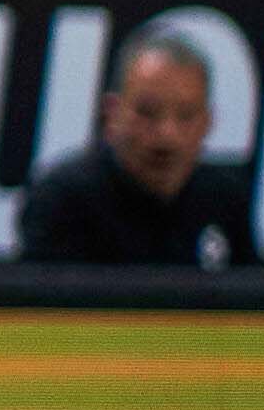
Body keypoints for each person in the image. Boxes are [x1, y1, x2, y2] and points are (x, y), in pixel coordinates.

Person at [19, 37, 246, 269]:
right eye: (147, 113)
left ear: (208, 123)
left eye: (186, 115)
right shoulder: (64, 201)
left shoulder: (224, 200)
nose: (166, 136)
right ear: (112, 115)